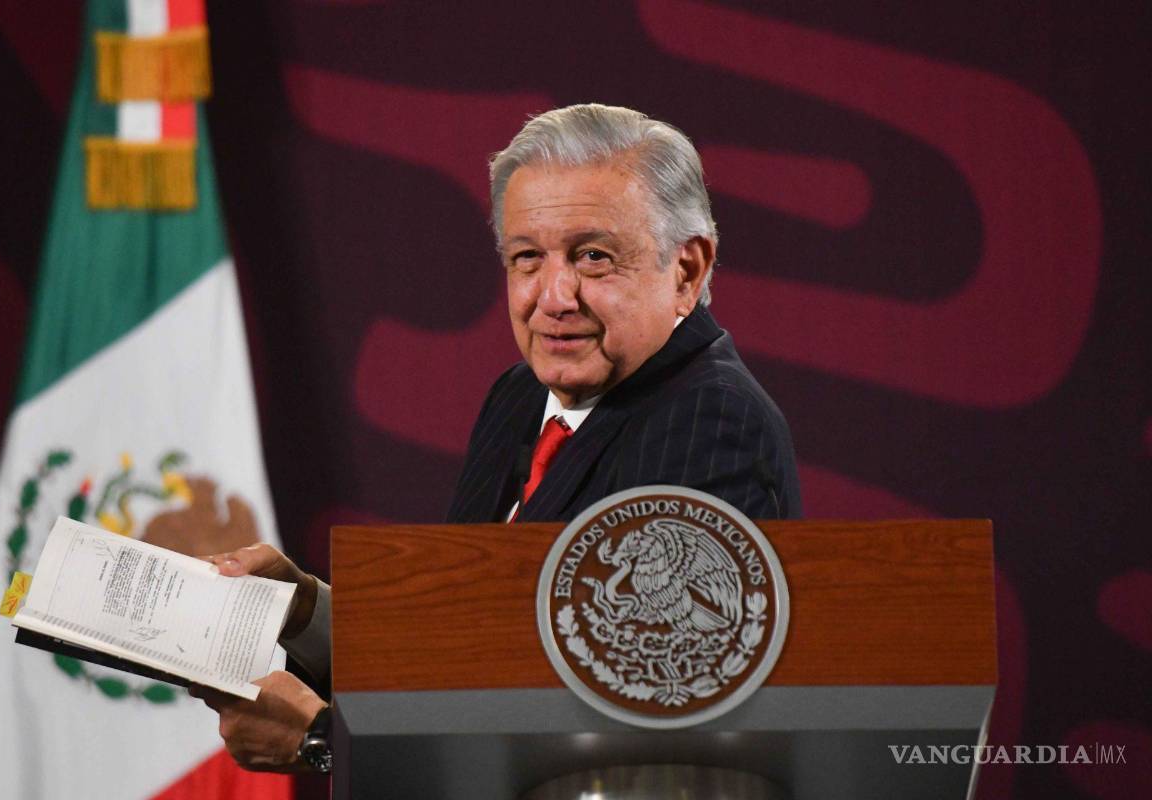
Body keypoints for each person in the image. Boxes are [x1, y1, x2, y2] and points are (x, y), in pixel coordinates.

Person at [195, 103, 800, 770]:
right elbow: (470, 657)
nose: (553, 297)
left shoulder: (713, 423)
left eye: (593, 257)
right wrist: (306, 614)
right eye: (527, 258)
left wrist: (322, 740)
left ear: (686, 270)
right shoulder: (521, 396)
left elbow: (641, 721)